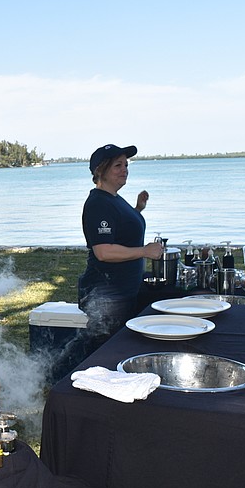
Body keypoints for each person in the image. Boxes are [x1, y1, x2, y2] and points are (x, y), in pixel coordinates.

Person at [78, 144, 163, 351]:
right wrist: (144, 251)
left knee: (121, 349)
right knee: (104, 353)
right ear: (101, 171)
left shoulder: (113, 198)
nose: (124, 169)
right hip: (106, 297)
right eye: (118, 165)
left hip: (123, 291)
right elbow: (104, 251)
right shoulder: (98, 203)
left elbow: (119, 232)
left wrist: (137, 209)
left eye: (126, 165)